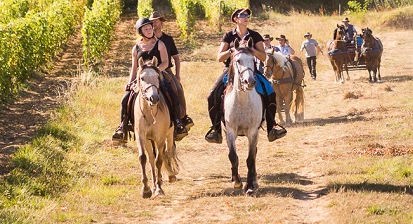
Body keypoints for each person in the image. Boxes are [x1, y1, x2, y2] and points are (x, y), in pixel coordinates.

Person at [203, 8, 287, 144]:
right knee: (212, 95)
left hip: (251, 70)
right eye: (242, 15)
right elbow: (219, 57)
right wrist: (232, 50)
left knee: (270, 92)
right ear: (235, 19)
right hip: (230, 71)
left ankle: (272, 128)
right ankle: (216, 130)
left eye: (247, 15)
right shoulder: (228, 36)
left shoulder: (255, 35)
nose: (246, 17)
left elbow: (263, 56)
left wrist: (252, 50)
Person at [113, 17, 188, 141]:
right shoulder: (136, 48)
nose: (149, 30)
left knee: (172, 93)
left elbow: (165, 62)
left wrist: (153, 72)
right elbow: (134, 68)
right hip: (142, 78)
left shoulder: (160, 44)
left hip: (158, 75)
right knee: (125, 98)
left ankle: (178, 122)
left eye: (150, 28)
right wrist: (129, 82)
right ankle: (123, 126)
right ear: (140, 32)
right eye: (146, 29)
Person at [150, 11, 194, 137]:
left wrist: (177, 74)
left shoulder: (168, 39)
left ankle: (183, 118)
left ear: (161, 23)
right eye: (152, 21)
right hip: (149, 72)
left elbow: (176, 57)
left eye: (156, 21)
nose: (154, 24)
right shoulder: (148, 40)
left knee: (178, 89)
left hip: (166, 71)